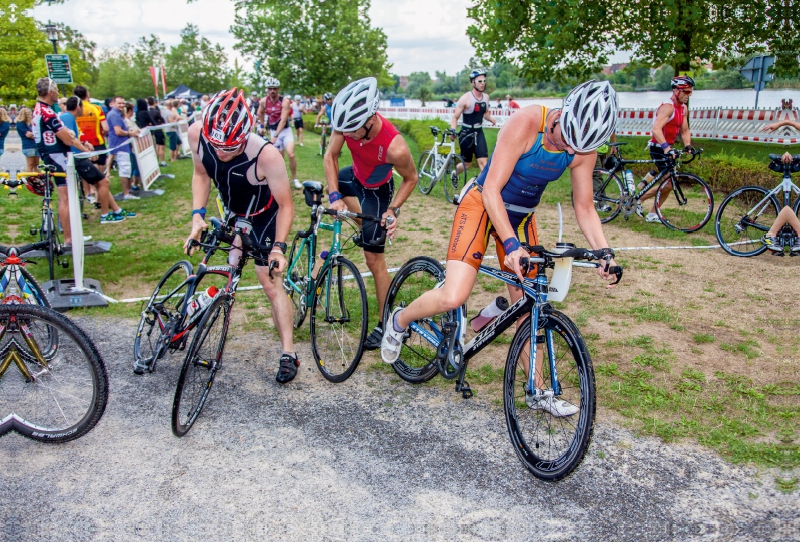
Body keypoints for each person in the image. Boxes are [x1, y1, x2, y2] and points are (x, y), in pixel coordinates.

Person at [381, 81, 621, 416]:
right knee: (454, 295)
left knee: (529, 303)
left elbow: (585, 208)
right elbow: (492, 188)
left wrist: (605, 253)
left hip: (521, 216)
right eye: (566, 136)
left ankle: (537, 389)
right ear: (563, 113)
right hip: (482, 203)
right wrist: (510, 244)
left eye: (579, 144)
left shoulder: (583, 148)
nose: (569, 146)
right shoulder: (526, 122)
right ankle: (400, 319)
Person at [183, 88, 299, 383]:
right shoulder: (197, 134)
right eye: (217, 147)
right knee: (223, 271)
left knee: (271, 284)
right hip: (233, 212)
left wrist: (278, 249)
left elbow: (286, 205)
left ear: (246, 135)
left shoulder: (267, 155)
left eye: (231, 148)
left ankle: (289, 353)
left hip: (264, 218)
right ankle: (186, 325)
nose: (221, 153)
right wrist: (197, 216)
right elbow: (200, 175)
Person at [324, 77, 418, 351]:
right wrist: (333, 196)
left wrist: (393, 209)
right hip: (352, 177)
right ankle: (362, 228)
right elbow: (331, 156)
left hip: (376, 191)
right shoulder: (347, 124)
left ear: (370, 119)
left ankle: (386, 321)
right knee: (332, 197)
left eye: (352, 131)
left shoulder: (394, 146)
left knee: (373, 258)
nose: (346, 135)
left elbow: (411, 178)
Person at [31, 77, 93, 245]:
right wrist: (73, 139)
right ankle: (69, 238)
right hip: (57, 156)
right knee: (65, 198)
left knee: (65, 197)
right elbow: (67, 139)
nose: (58, 93)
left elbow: (66, 134)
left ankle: (69, 236)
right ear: (50, 92)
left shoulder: (39, 109)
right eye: (57, 89)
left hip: (50, 154)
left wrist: (70, 135)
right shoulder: (48, 112)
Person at [59, 97, 135, 224]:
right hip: (76, 158)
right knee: (103, 182)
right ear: (78, 107)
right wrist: (86, 151)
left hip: (77, 156)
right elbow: (68, 139)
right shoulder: (68, 118)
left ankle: (116, 210)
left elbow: (72, 137)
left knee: (101, 183)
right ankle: (105, 215)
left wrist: (84, 143)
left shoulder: (69, 118)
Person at [640, 75, 696, 222]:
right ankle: (639, 200)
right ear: (677, 91)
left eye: (691, 92)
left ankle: (652, 213)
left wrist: (688, 145)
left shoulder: (683, 108)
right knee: (669, 183)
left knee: (670, 183)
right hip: (658, 147)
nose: (689, 95)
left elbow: (685, 130)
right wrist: (666, 148)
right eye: (687, 92)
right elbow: (656, 129)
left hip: (667, 147)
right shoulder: (667, 107)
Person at [451, 68, 497, 176]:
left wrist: (490, 119)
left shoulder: (486, 97)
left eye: (484, 81)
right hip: (466, 133)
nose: (483, 84)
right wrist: (453, 130)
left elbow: (484, 113)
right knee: (466, 164)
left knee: (484, 164)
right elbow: (455, 118)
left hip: (479, 132)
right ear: (473, 82)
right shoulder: (465, 98)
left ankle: (483, 189)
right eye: (480, 81)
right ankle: (454, 174)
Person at [257, 77, 300, 189]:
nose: (272, 91)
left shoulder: (284, 101)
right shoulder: (263, 101)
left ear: (278, 89)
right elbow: (260, 113)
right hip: (272, 131)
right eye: (270, 88)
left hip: (285, 131)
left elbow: (283, 119)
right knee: (279, 158)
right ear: (267, 89)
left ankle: (294, 178)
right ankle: (281, 180)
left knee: (291, 154)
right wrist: (261, 126)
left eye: (274, 88)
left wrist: (276, 136)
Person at [107, 95, 141, 200]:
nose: (122, 105)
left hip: (121, 145)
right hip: (120, 145)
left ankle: (127, 191)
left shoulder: (116, 114)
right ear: (113, 103)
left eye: (123, 103)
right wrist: (130, 133)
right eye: (119, 103)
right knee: (124, 169)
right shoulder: (115, 115)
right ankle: (126, 194)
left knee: (126, 169)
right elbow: (118, 131)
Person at [73, 86, 108, 176]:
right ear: (87, 94)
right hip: (98, 142)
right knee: (100, 172)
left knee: (87, 171)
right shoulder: (97, 108)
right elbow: (105, 128)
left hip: (82, 143)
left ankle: (92, 189)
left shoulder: (74, 110)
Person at [123, 102, 143, 189]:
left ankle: (134, 184)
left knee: (135, 166)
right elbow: (132, 132)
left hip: (135, 147)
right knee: (133, 166)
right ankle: (132, 185)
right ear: (130, 110)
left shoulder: (131, 120)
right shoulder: (126, 121)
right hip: (131, 147)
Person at [147, 97, 167, 167]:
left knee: (156, 147)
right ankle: (162, 161)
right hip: (158, 130)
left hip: (152, 132)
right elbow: (162, 120)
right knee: (161, 147)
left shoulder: (148, 112)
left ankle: (157, 161)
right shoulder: (156, 112)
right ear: (154, 102)